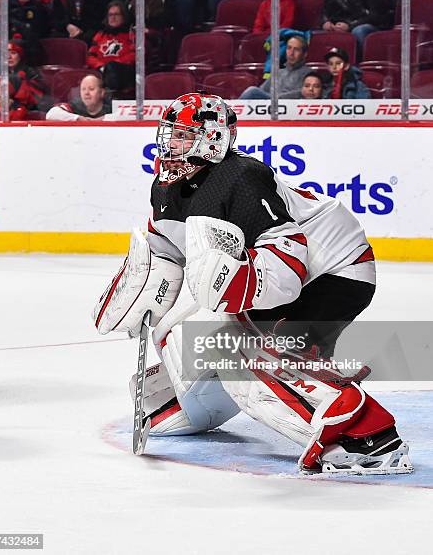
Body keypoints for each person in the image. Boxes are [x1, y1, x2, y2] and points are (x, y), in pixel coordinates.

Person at [92, 92, 413, 475]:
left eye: (181, 136)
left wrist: (238, 290)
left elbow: (288, 264)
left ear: (211, 139)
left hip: (335, 271)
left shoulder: (241, 177)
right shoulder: (166, 188)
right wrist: (140, 289)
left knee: (252, 357)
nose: (169, 144)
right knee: (184, 335)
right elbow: (165, 250)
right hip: (290, 278)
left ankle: (368, 436)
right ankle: (195, 401)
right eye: (169, 135)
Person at [239, 34, 311, 99]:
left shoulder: (309, 74)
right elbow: (261, 91)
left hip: (289, 107)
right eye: (289, 48)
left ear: (304, 54)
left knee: (252, 91)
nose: (291, 53)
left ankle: (232, 112)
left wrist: (277, 97)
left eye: (296, 49)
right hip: (270, 107)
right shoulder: (278, 73)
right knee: (253, 92)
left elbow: (302, 93)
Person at [87, 1, 135, 95]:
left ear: (123, 16)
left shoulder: (132, 35)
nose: (113, 18)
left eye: (116, 14)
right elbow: (90, 56)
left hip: (123, 74)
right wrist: (102, 66)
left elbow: (134, 55)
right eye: (110, 15)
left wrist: (113, 64)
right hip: (101, 72)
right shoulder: (100, 35)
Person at [46, 73, 111, 120]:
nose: (86, 93)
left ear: (102, 92)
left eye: (91, 89)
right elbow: (51, 114)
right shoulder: (75, 105)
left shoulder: (111, 107)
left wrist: (102, 119)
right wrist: (78, 118)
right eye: (83, 89)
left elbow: (120, 115)